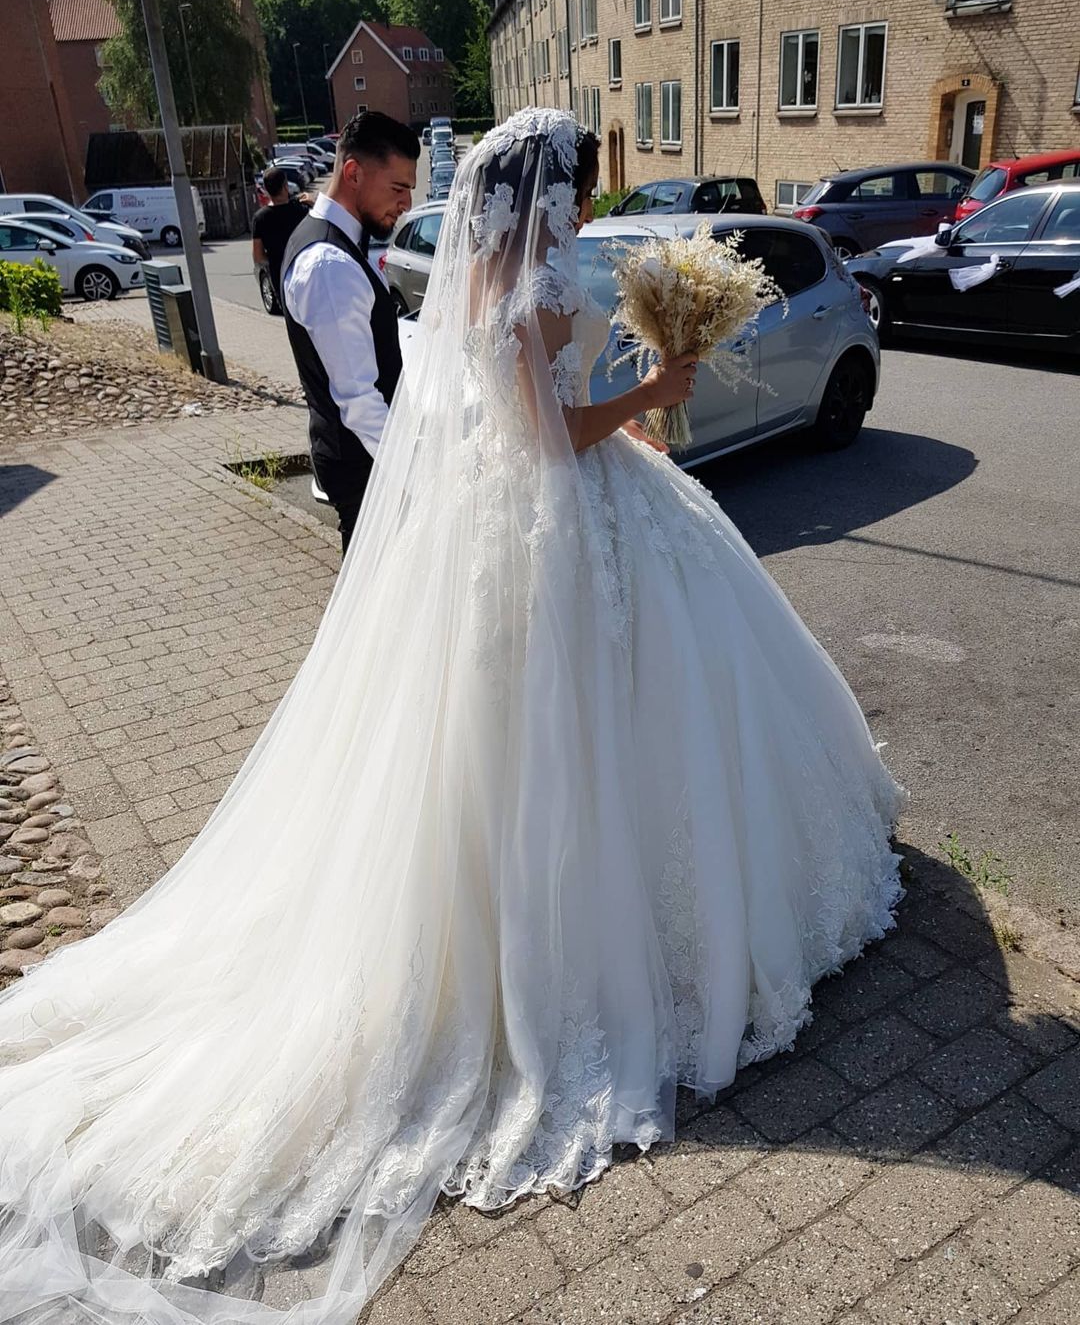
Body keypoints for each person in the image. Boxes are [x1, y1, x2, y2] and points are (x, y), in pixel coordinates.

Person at [0, 109, 903, 1324]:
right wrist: (652, 384)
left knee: (561, 736)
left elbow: (523, 417)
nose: (584, 205)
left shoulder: (487, 271)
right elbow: (544, 434)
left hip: (559, 512)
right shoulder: (528, 280)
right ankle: (604, 960)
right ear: (539, 193)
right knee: (587, 735)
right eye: (576, 187)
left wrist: (636, 407)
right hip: (565, 525)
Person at [282, 111, 419, 555]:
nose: (407, 205)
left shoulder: (332, 248)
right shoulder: (329, 266)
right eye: (398, 188)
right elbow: (359, 402)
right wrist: (421, 475)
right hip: (369, 474)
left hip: (369, 465)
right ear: (354, 173)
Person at [251, 166, 313, 314]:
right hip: (306, 271)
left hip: (280, 276)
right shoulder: (301, 210)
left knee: (292, 321)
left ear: (266, 190)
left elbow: (258, 256)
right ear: (286, 186)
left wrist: (275, 260)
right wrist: (313, 203)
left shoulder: (260, 218)